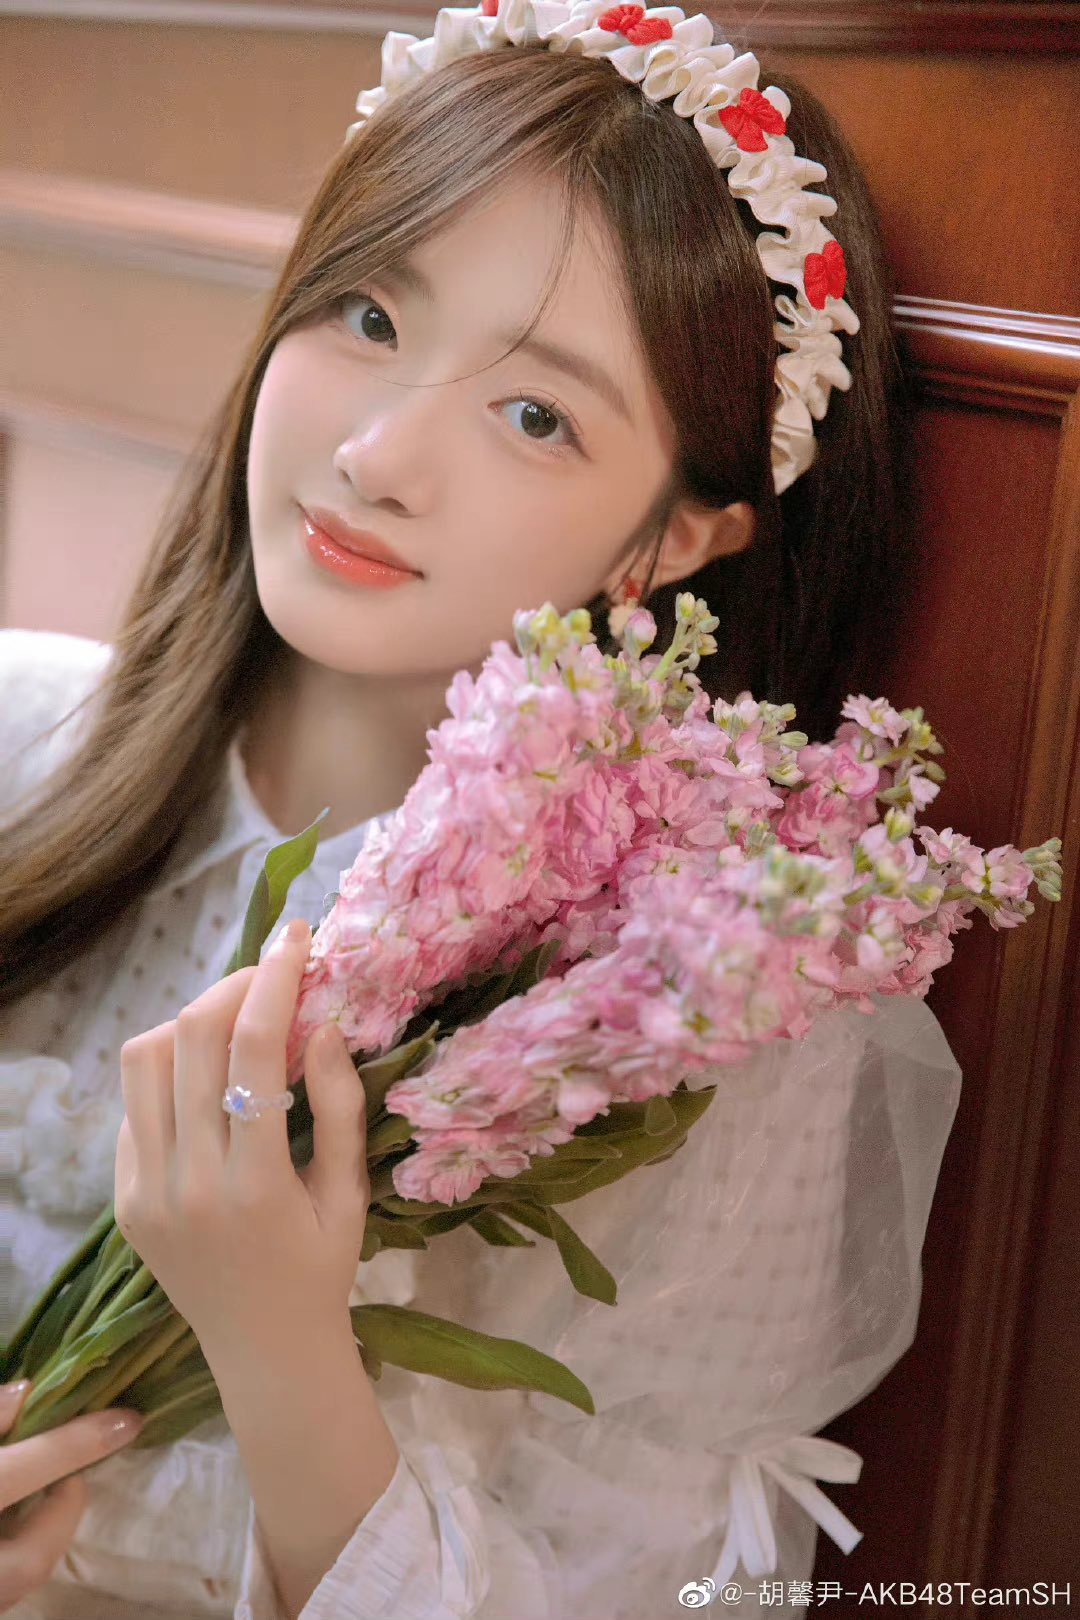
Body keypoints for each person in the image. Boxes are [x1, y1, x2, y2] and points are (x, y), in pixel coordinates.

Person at [0, 6, 964, 1616]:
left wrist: (278, 1343)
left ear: (676, 538)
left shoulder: (728, 1030)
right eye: (370, 313)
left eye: (536, 415)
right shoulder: (18, 745)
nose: (377, 455)